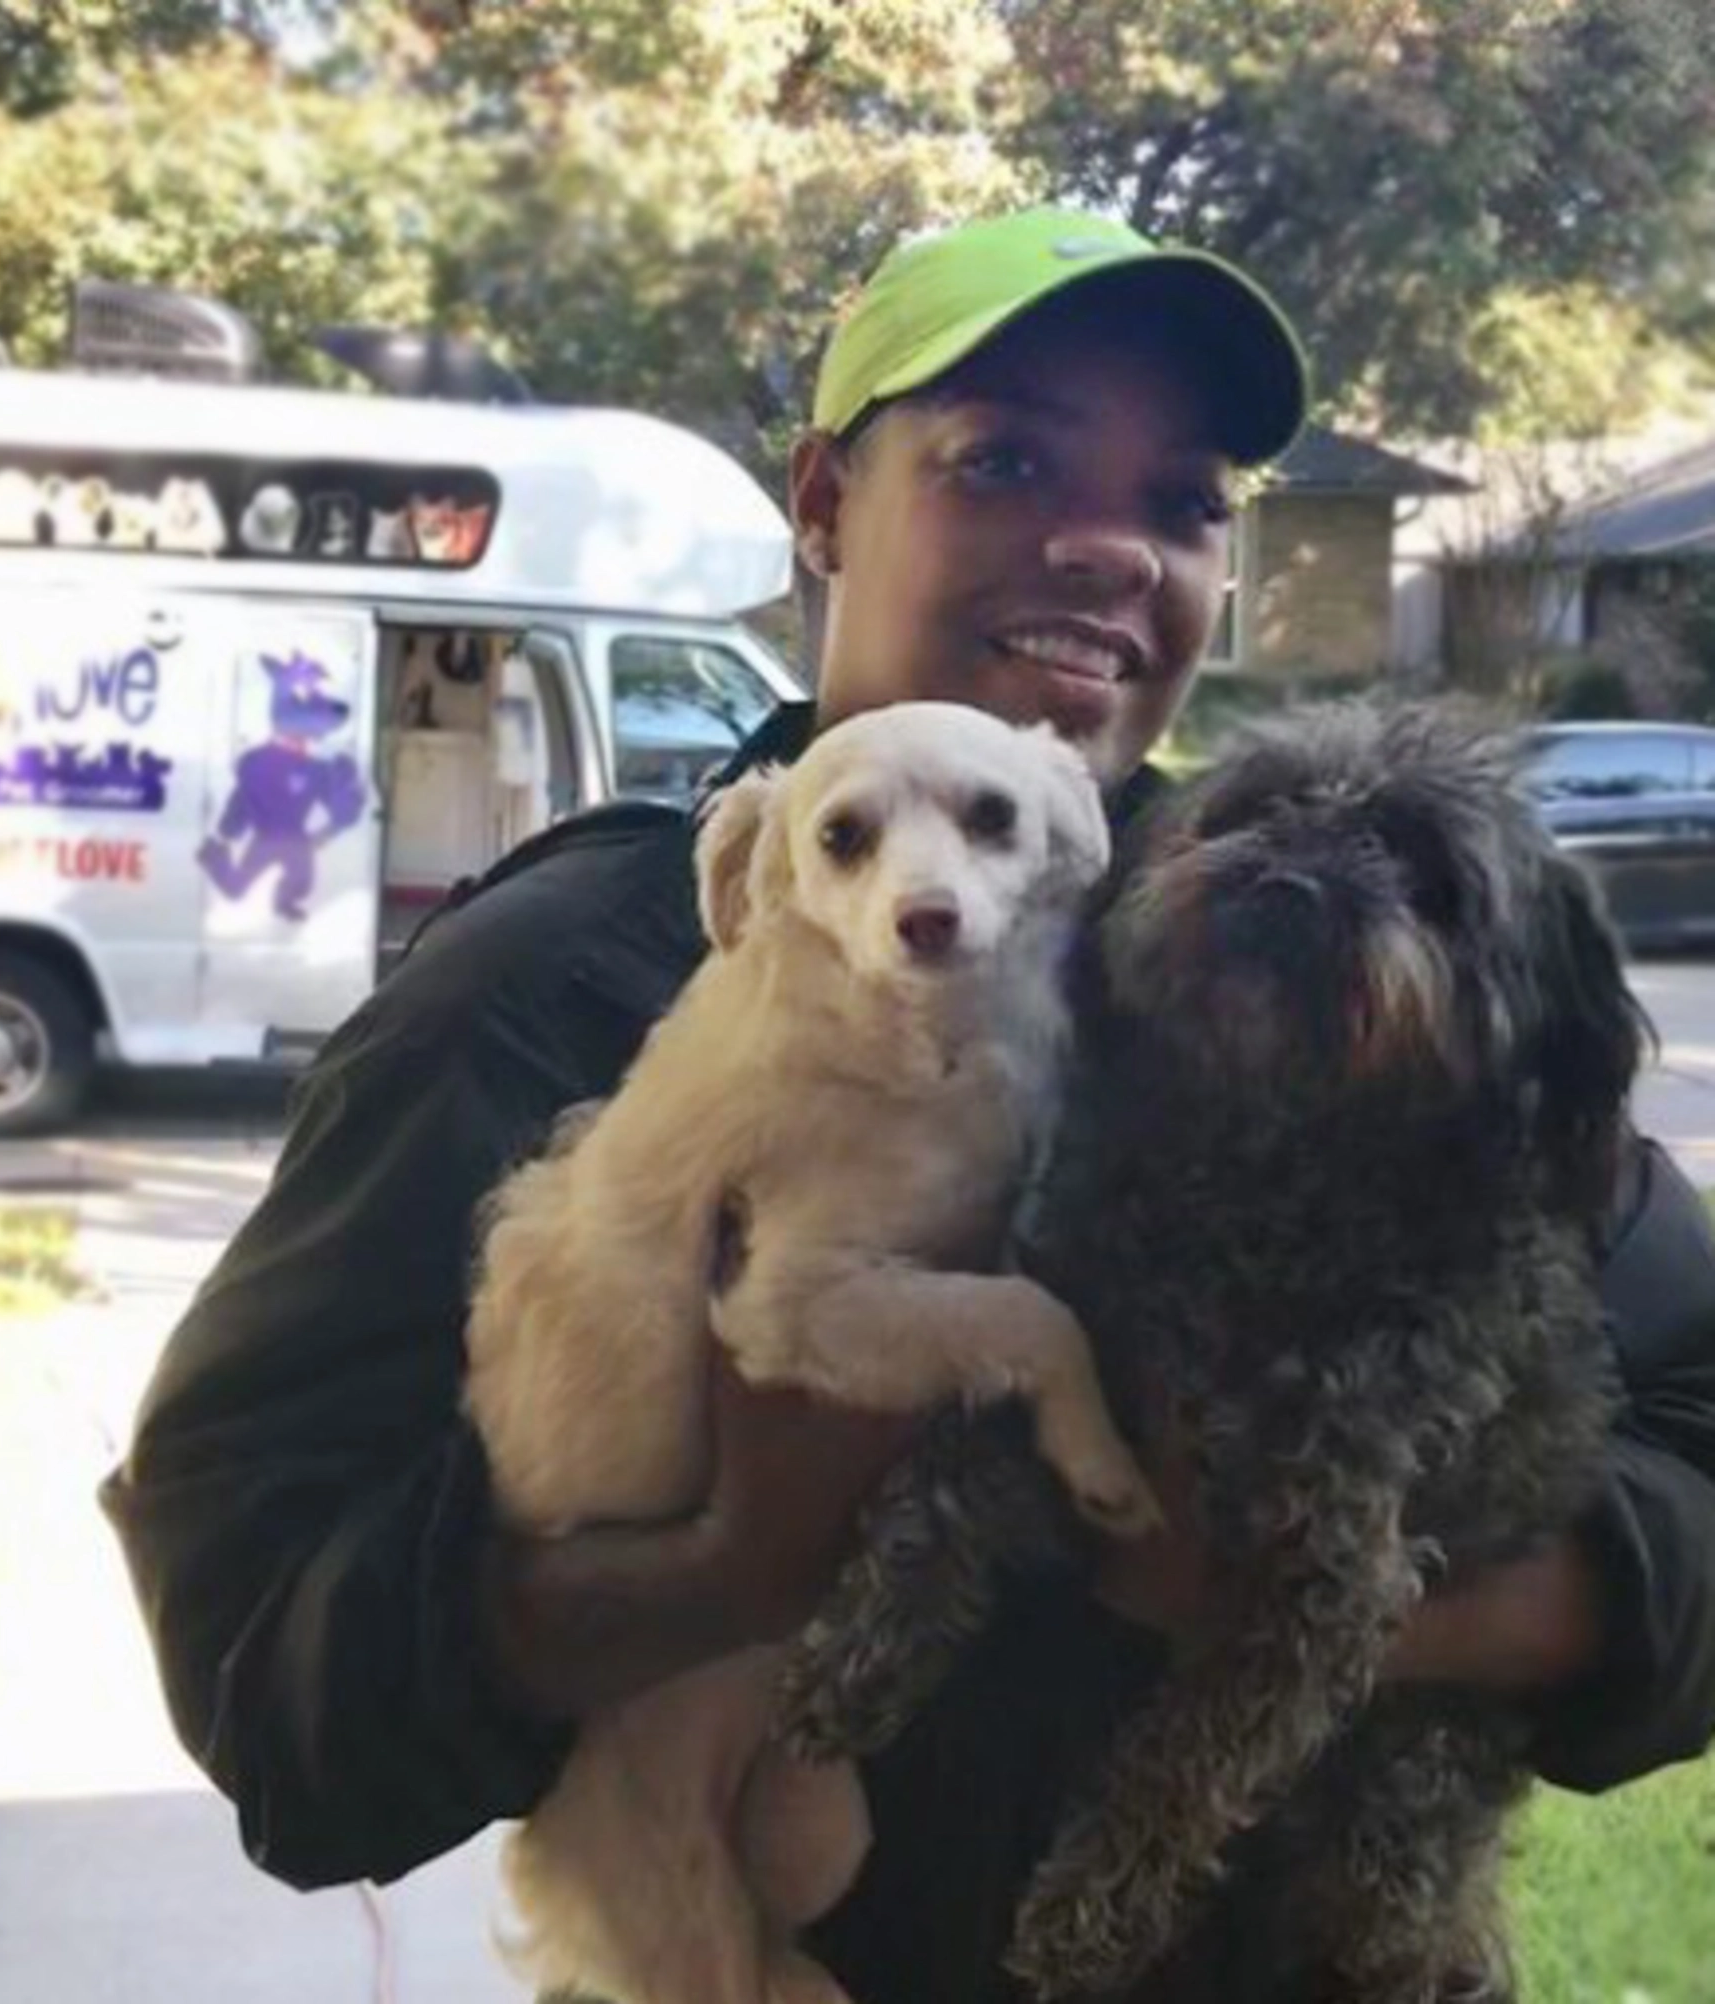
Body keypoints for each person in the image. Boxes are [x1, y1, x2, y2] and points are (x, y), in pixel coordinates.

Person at [100, 207, 1715, 2001]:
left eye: (1185, 502)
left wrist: (1336, 1616)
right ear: (820, 505)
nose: (1109, 544)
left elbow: (1690, 1402)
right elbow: (262, 1665)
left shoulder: (1293, 922)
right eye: (1002, 458)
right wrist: (733, 1564)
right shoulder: (567, 984)